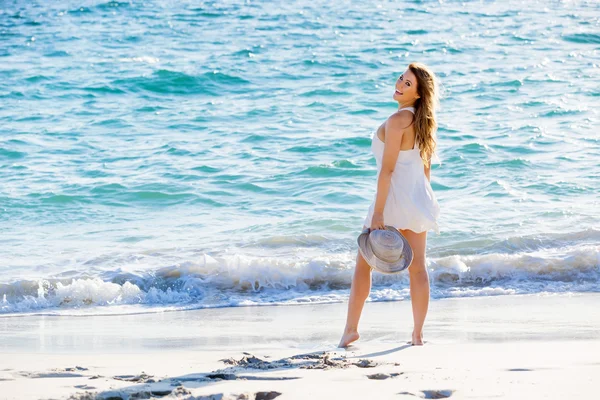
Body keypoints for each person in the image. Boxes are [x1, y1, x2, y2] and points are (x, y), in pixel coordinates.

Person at [338, 62, 441, 348]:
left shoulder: (397, 122)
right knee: (418, 268)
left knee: (363, 265)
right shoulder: (424, 122)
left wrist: (379, 212)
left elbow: (387, 170)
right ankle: (417, 335)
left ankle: (350, 330)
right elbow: (425, 169)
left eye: (408, 84)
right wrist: (424, 199)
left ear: (419, 94)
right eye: (400, 79)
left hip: (393, 197)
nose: (399, 85)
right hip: (418, 197)